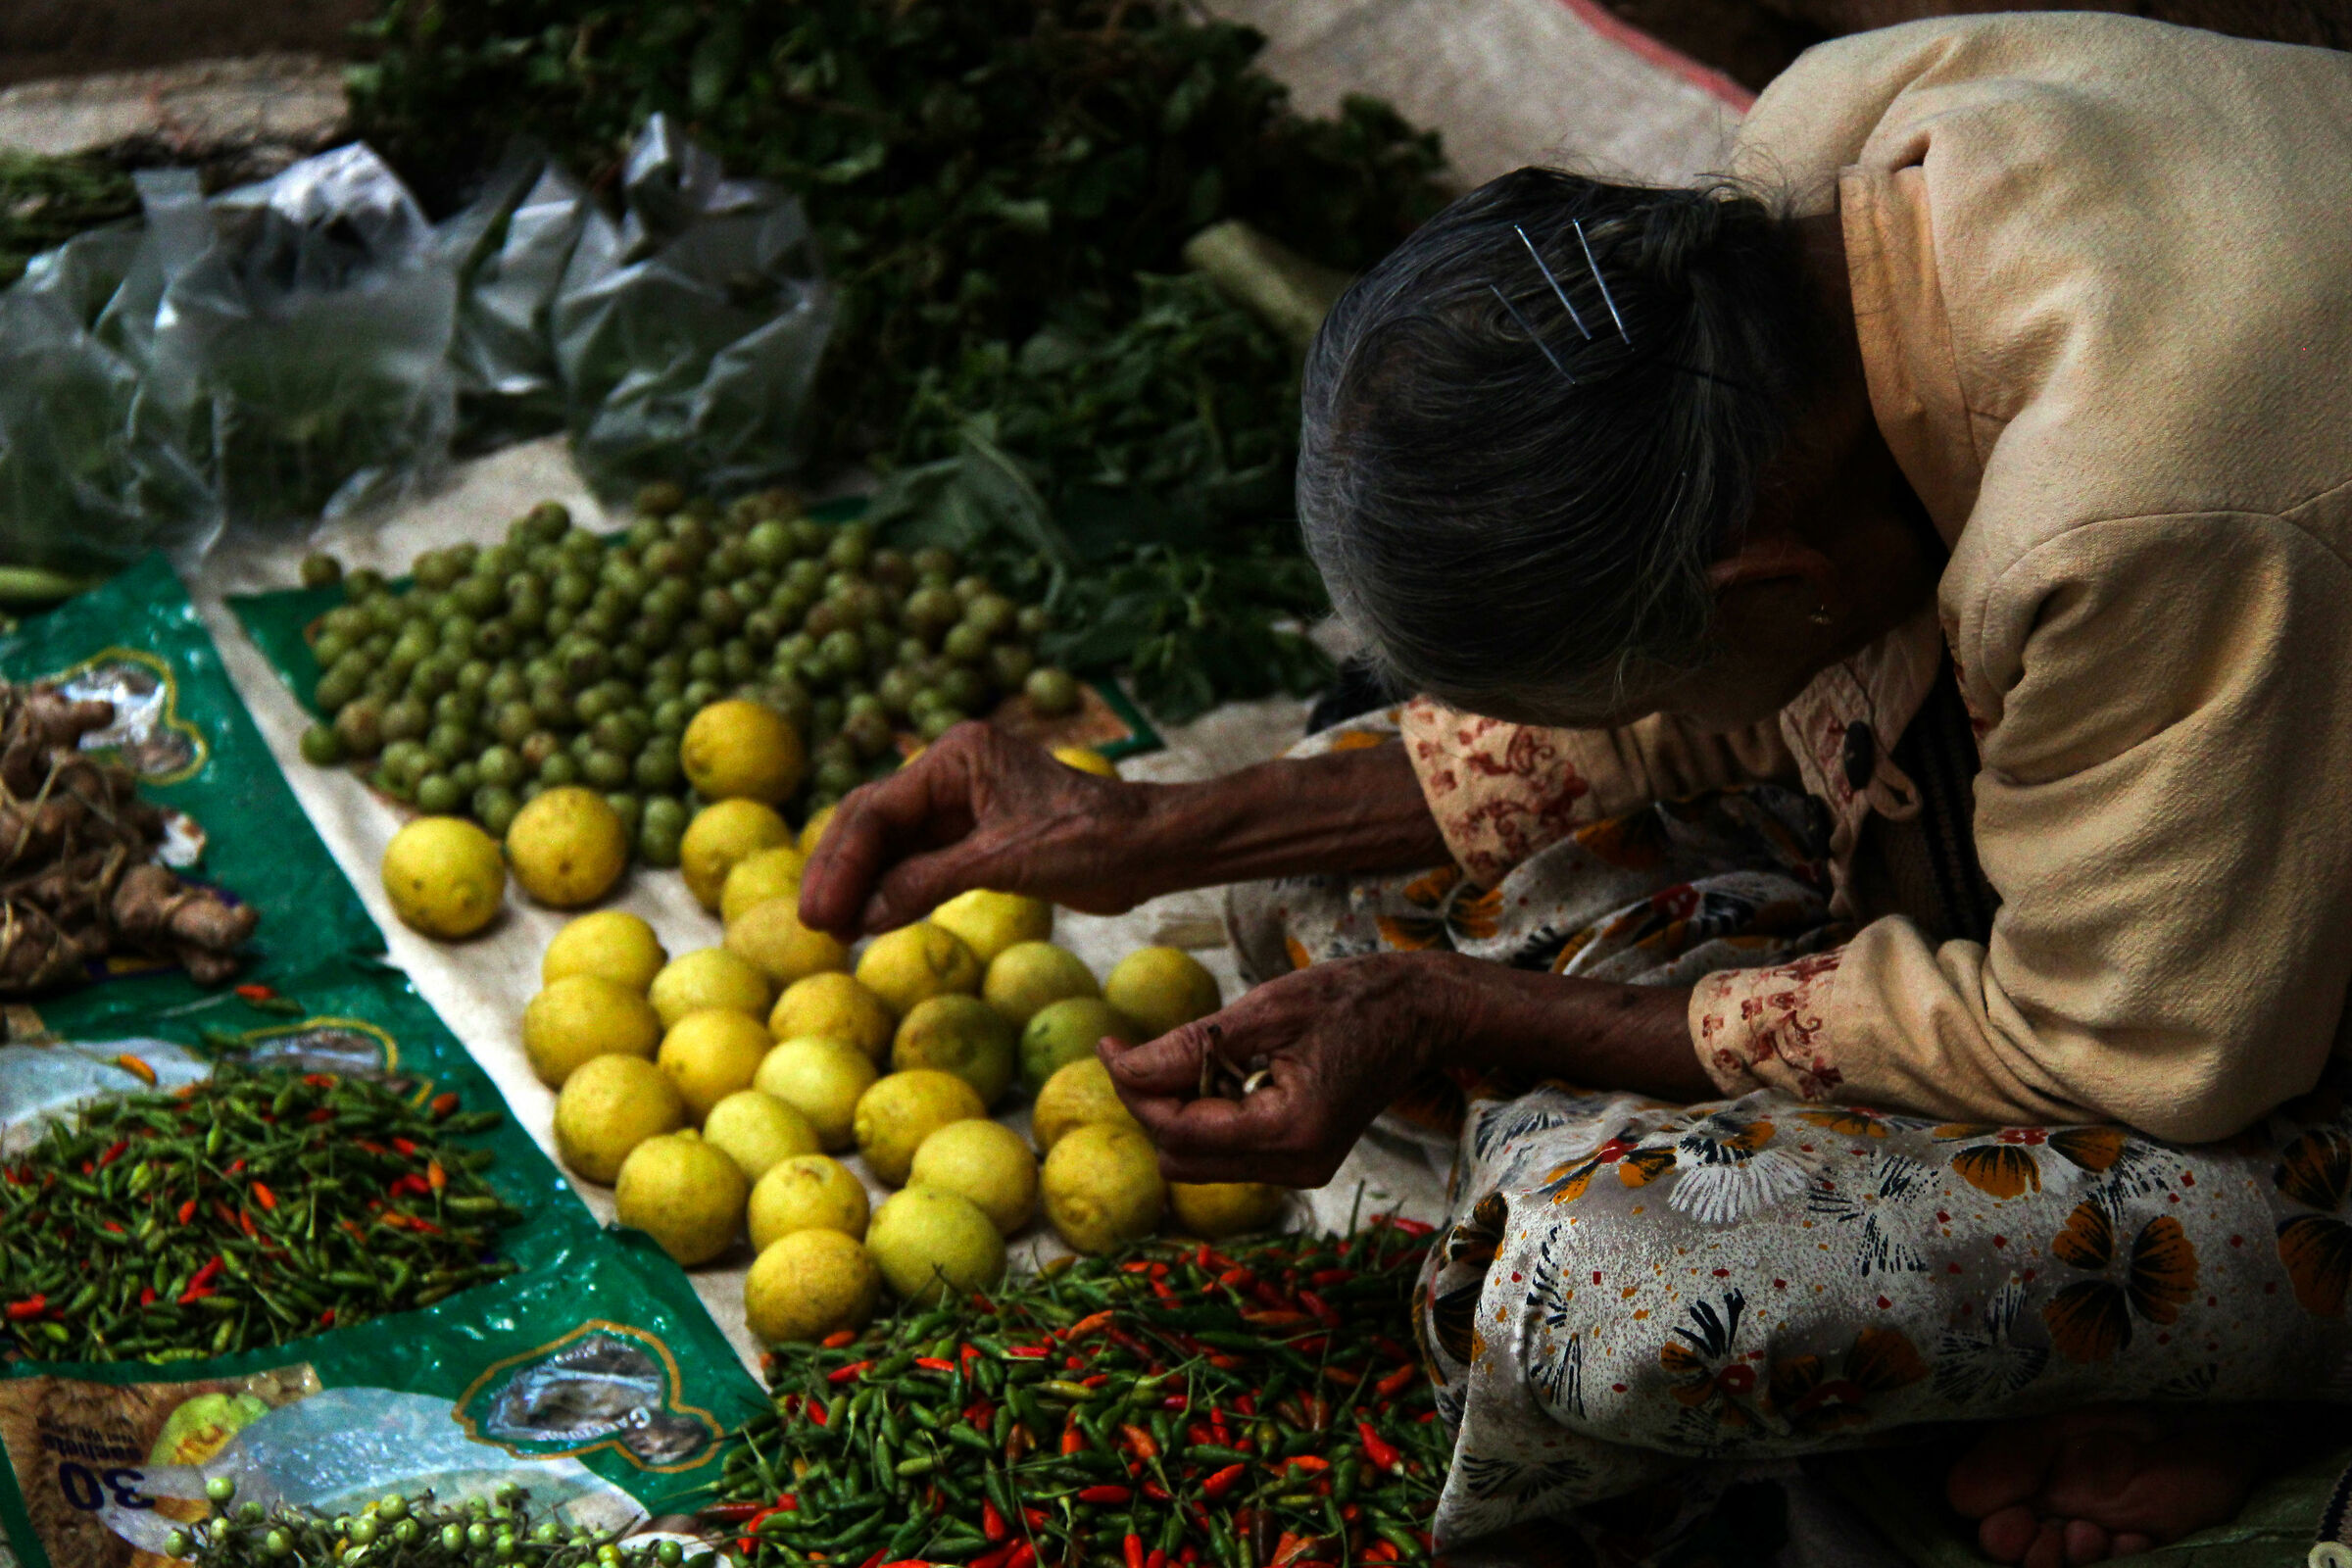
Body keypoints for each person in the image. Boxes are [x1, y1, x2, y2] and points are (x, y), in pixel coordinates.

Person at [802, 11, 2352, 1566]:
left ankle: (2239, 1379)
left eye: (1643, 680)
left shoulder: (2121, 527)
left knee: (1607, 1291)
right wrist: (1159, 831)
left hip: (2231, 1030)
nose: (1628, 718)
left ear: (1772, 585)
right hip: (2130, 792)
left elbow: (2125, 1043)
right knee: (1319, 886)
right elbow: (1717, 696)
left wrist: (1461, 1011)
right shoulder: (1815, 176)